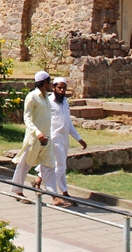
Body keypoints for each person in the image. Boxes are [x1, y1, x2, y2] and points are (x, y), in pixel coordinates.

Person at [40, 77, 87, 206]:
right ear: (53, 88)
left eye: (64, 88)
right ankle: (64, 193)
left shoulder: (65, 102)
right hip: (53, 139)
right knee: (60, 166)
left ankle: (38, 180)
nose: (62, 90)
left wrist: (79, 139)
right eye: (59, 88)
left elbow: (68, 123)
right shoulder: (48, 102)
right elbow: (44, 120)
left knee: (53, 164)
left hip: (64, 139)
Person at [11, 70, 55, 204]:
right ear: (45, 82)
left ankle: (55, 195)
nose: (51, 84)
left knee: (49, 165)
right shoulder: (32, 97)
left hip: (46, 138)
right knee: (24, 164)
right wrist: (37, 133)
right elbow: (27, 118)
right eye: (49, 81)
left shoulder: (47, 97)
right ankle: (17, 191)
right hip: (34, 138)